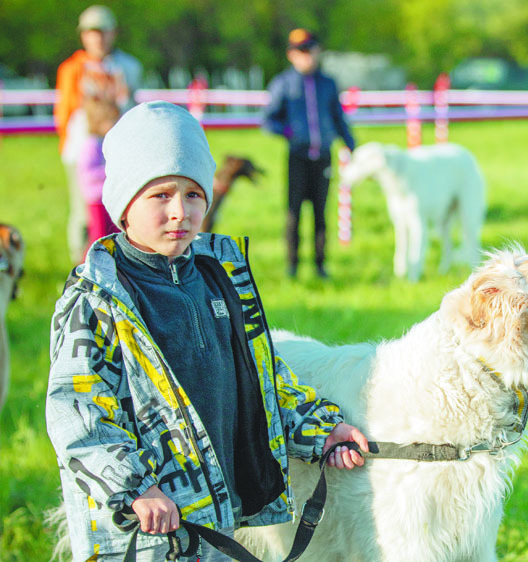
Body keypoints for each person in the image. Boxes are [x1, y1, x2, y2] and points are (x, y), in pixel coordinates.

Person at [46, 101, 369, 562]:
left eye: (193, 195)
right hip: (138, 532)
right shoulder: (97, 299)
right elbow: (75, 411)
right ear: (123, 203)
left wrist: (320, 429)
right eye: (160, 195)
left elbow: (260, 380)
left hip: (215, 526)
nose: (180, 211)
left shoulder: (219, 279)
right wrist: (136, 488)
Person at [263, 29, 356, 279]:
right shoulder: (283, 84)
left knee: (320, 213)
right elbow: (269, 120)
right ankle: (292, 265)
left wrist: (351, 144)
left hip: (323, 156)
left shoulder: (328, 83)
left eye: (310, 50)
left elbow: (338, 118)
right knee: (294, 213)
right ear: (291, 55)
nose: (307, 57)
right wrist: (290, 132)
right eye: (301, 52)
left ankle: (320, 265)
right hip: (298, 157)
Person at [54, 5, 142, 263]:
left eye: (103, 32)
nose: (98, 38)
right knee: (84, 212)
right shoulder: (72, 69)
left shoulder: (128, 67)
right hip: (84, 151)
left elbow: (132, 107)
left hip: (120, 150)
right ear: (83, 35)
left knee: (120, 209)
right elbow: (65, 111)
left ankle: (121, 261)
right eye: (92, 32)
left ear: (113, 33)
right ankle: (81, 266)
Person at [77, 96, 120, 253]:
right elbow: (87, 173)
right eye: (111, 121)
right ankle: (88, 266)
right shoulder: (91, 145)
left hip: (108, 198)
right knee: (99, 235)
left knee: (112, 234)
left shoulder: (105, 142)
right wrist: (110, 170)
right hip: (96, 199)